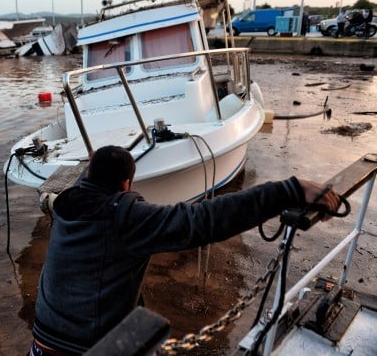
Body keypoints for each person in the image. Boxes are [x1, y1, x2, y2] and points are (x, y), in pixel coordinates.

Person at [29, 145, 341, 356]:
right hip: (87, 347)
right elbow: (204, 220)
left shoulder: (65, 205)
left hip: (42, 339)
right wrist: (289, 189)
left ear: (88, 175)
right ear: (126, 185)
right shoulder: (126, 218)